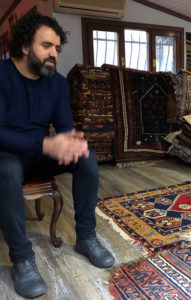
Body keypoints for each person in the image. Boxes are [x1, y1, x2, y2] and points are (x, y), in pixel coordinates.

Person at [0, 12, 115, 298]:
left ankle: (86, 237)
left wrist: (70, 142)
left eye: (57, 48)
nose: (54, 53)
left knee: (86, 157)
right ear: (25, 46)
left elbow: (64, 129)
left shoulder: (57, 83)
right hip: (6, 154)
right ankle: (23, 258)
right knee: (7, 171)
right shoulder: (1, 76)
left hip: (38, 153)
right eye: (47, 46)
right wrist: (45, 144)